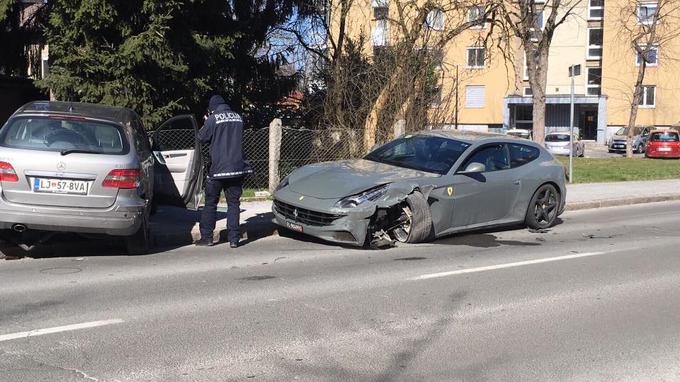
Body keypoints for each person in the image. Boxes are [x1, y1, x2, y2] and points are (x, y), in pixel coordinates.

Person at [195, 95, 252, 248]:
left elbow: (201, 137)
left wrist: (207, 120)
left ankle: (207, 237)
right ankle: (234, 239)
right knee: (233, 204)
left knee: (211, 203)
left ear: (212, 107)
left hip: (218, 170)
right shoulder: (238, 117)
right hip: (237, 168)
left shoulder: (214, 119)